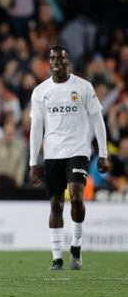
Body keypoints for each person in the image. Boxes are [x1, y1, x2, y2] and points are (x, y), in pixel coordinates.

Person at [29, 45, 109, 271]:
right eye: (52, 58)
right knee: (56, 204)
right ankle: (57, 257)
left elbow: (97, 120)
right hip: (53, 154)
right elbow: (36, 128)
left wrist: (103, 154)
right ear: (48, 63)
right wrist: (33, 162)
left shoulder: (83, 87)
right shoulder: (40, 91)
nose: (56, 61)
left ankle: (76, 245)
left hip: (78, 151)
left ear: (68, 63)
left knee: (76, 198)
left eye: (60, 58)